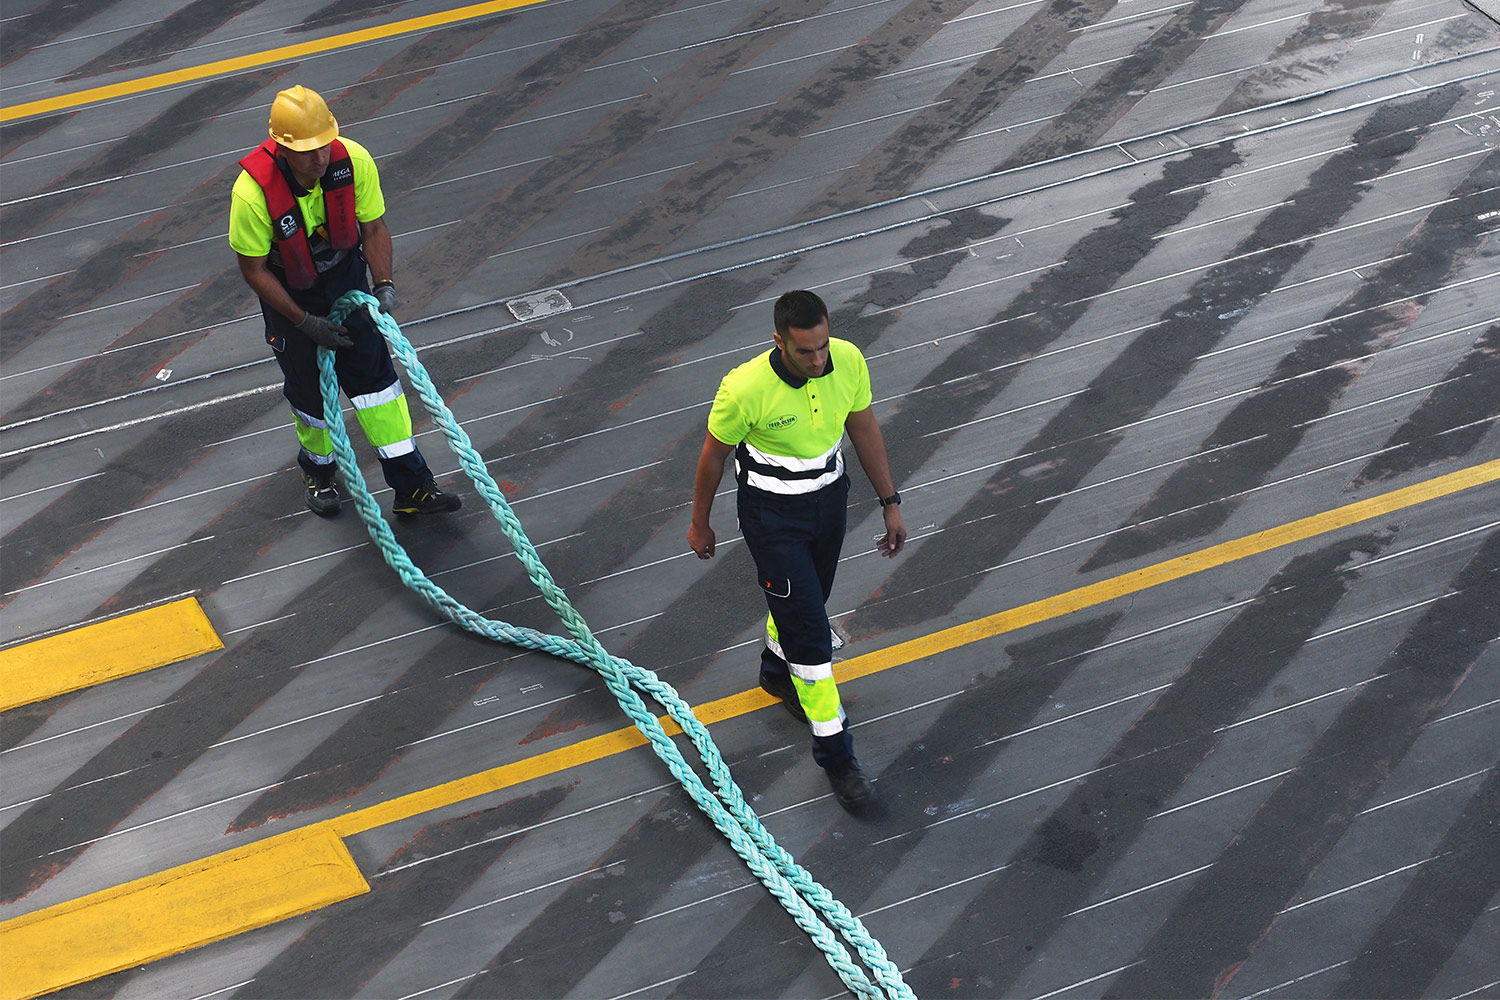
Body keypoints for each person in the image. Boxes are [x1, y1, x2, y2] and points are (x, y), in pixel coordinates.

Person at [688, 290, 907, 810]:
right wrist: (699, 522)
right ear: (779, 341)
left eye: (822, 347)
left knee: (805, 603)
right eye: (806, 351)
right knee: (812, 637)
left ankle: (772, 669)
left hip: (830, 503)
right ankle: (837, 754)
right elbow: (711, 458)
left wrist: (890, 502)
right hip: (772, 517)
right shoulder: (743, 389)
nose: (818, 360)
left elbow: (864, 427)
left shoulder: (848, 359)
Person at [229, 84, 460, 518]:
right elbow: (254, 271)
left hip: (345, 280)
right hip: (291, 297)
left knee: (379, 389)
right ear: (282, 146)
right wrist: (304, 323)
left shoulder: (352, 160)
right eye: (307, 151)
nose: (319, 159)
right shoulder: (252, 194)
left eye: (324, 146)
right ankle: (318, 473)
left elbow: (373, 228)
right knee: (310, 396)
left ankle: (412, 488)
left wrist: (384, 282)